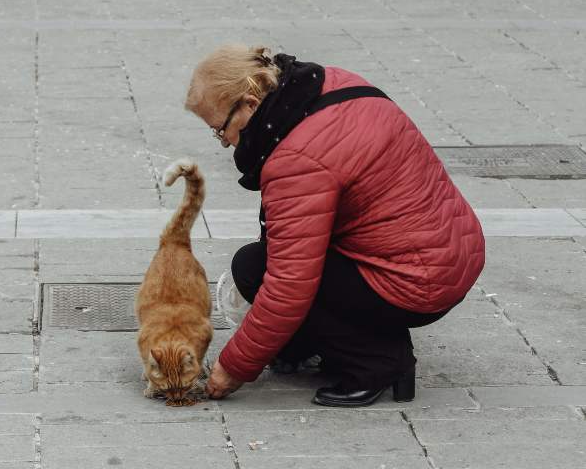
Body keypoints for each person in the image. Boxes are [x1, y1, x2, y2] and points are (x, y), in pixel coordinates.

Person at [185, 44, 485, 406]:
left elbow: (288, 285)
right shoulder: (330, 84)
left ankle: (379, 361)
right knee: (272, 262)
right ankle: (310, 345)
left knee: (255, 270)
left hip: (417, 280)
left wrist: (233, 367)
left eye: (221, 130)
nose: (224, 143)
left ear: (250, 103)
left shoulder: (295, 158)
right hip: (452, 250)